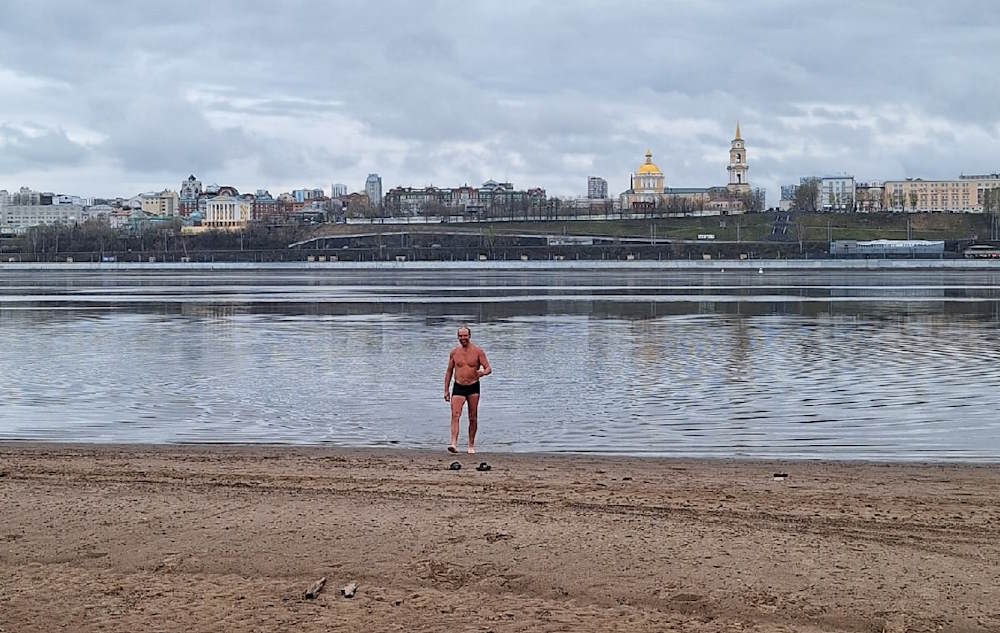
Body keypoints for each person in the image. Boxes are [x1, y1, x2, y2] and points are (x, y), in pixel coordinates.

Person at [444, 325, 491, 454]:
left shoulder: (478, 351)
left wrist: (483, 372)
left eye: (465, 335)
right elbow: (449, 371)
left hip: (473, 386)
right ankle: (453, 443)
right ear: (457, 337)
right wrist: (446, 390)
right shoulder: (454, 352)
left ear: (469, 336)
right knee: (455, 415)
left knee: (473, 417)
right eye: (460, 336)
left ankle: (471, 445)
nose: (463, 338)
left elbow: (488, 368)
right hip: (458, 386)